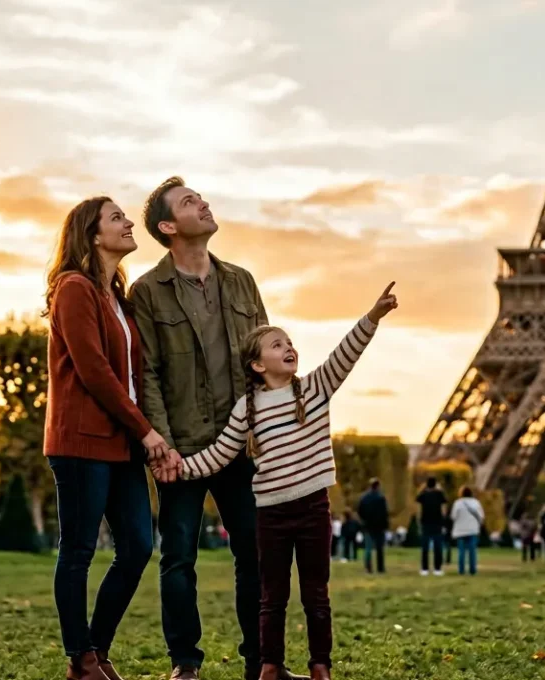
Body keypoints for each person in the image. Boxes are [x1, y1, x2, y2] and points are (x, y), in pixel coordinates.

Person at [159, 282, 398, 680]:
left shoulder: (315, 389)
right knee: (272, 597)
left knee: (316, 594)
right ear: (257, 365)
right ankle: (270, 666)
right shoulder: (246, 411)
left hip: (313, 508)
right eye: (276, 344)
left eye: (288, 342)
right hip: (270, 513)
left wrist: (372, 317)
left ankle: (320, 666)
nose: (288, 347)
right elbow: (219, 455)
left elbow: (346, 353)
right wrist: (178, 467)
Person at [130, 178, 279, 680]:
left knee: (255, 554)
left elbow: (266, 360)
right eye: (190, 202)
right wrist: (161, 446)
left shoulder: (242, 281)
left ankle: (259, 661)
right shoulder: (148, 291)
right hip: (183, 448)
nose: (204, 202)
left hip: (243, 444)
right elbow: (146, 372)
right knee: (178, 558)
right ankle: (185, 663)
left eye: (201, 197)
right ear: (169, 227)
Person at [44, 196, 170, 680]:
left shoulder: (115, 297)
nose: (127, 222)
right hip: (80, 441)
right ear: (93, 235)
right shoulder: (73, 288)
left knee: (138, 545)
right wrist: (147, 431)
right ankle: (82, 659)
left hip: (119, 443)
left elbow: (131, 377)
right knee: (77, 550)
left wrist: (141, 434)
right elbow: (94, 370)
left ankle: (96, 649)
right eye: (116, 217)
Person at [449, 487, 485, 575]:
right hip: (472, 529)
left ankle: (461, 570)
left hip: (460, 530)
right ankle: (472, 570)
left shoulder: (457, 503)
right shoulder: (476, 502)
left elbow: (453, 516)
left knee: (461, 551)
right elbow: (481, 516)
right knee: (472, 551)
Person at [357, 479, 390, 574]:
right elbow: (384, 513)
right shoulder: (381, 498)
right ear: (378, 486)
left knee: (368, 548)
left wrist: (364, 521)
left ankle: (368, 568)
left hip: (368, 526)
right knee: (380, 548)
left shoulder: (364, 498)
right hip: (379, 526)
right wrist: (385, 525)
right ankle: (380, 568)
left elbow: (360, 511)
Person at [416, 477, 448, 576]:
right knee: (438, 548)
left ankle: (424, 569)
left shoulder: (422, 495)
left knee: (425, 548)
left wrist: (418, 523)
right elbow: (444, 510)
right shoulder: (440, 494)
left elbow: (418, 510)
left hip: (425, 523)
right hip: (437, 523)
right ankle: (437, 569)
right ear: (435, 484)